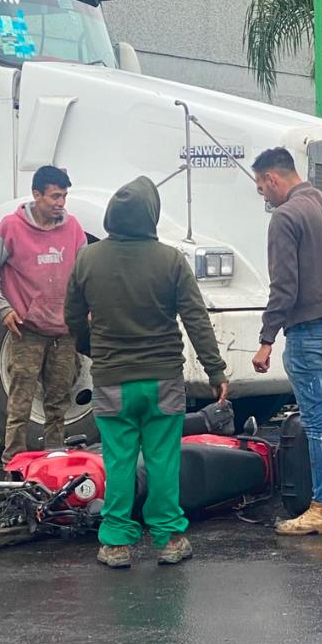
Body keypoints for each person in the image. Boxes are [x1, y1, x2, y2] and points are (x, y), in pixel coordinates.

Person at [65, 176, 229, 569]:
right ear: (151, 214)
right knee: (162, 459)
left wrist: (91, 348)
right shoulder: (170, 260)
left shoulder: (87, 258)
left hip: (111, 379)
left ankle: (117, 543)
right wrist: (215, 371)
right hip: (162, 381)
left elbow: (72, 316)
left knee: (119, 460)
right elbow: (195, 318)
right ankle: (169, 537)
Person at [251, 147, 322, 536]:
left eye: (262, 187)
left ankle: (320, 507)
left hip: (307, 332)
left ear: (274, 179)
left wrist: (266, 338)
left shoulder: (286, 216)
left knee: (315, 421)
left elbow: (284, 284)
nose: (263, 195)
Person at [0, 165, 87, 464]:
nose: (61, 203)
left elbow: (84, 273)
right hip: (27, 330)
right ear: (36, 194)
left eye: (64, 197)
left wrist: (86, 307)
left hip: (63, 332)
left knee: (58, 400)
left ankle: (54, 460)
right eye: (54, 197)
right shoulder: (10, 227)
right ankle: (12, 461)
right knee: (21, 399)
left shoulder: (73, 228)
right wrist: (4, 308)